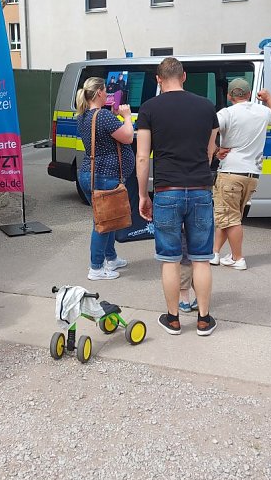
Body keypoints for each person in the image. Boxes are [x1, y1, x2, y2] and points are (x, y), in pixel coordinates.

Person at [136, 57, 219, 337]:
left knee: (170, 259)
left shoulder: (149, 108)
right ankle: (204, 320)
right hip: (200, 189)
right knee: (201, 258)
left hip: (166, 191)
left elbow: (142, 157)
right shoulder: (207, 107)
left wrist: (142, 195)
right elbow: (209, 152)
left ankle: (173, 319)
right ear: (184, 77)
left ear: (158, 79)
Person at [211, 79, 271, 270]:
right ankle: (215, 253)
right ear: (249, 94)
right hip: (251, 175)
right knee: (229, 216)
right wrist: (268, 99)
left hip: (230, 172)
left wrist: (216, 150)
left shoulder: (226, 113)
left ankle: (238, 258)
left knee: (230, 218)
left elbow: (208, 130)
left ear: (229, 96)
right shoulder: (262, 112)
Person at [75, 77, 135, 280]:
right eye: (106, 91)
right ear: (100, 93)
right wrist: (126, 116)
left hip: (89, 173)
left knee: (108, 218)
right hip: (105, 175)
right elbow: (128, 137)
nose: (108, 94)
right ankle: (96, 268)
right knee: (102, 222)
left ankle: (111, 257)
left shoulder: (84, 116)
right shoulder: (103, 116)